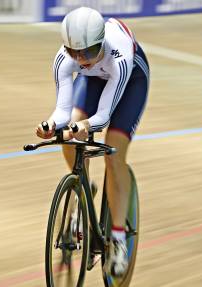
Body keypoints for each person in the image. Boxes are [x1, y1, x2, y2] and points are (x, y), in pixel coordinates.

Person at [35, 6, 149, 277]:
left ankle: (118, 237)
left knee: (113, 150)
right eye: (75, 53)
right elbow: (63, 112)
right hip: (94, 80)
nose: (81, 59)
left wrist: (84, 126)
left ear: (101, 42)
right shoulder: (66, 58)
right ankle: (82, 187)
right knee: (70, 130)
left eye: (87, 52)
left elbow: (102, 116)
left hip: (130, 81)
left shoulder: (118, 55)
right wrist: (51, 125)